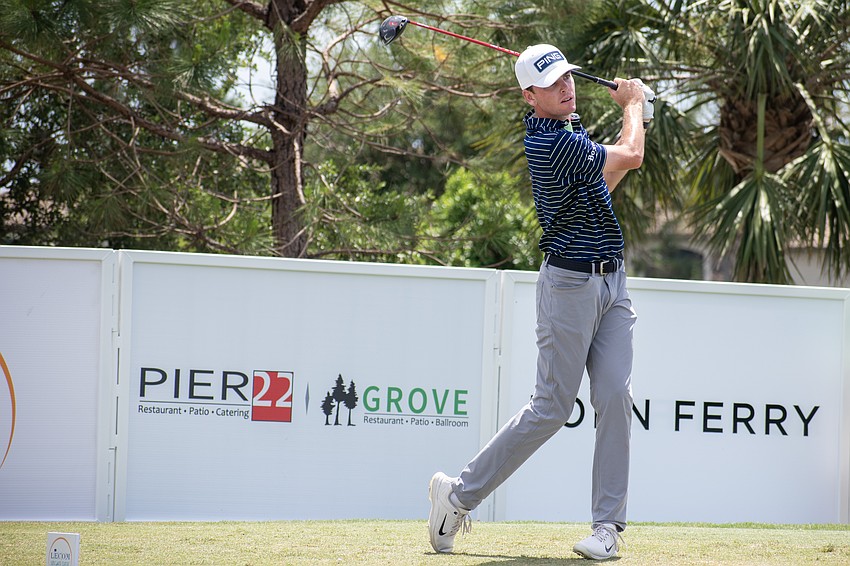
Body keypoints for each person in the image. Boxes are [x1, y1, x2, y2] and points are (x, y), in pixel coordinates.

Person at [427, 44, 653, 561]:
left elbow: (607, 180)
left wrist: (631, 118)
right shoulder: (549, 143)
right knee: (551, 409)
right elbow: (634, 156)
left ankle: (607, 529)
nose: (566, 88)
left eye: (568, 78)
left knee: (616, 396)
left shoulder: (571, 132)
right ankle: (457, 496)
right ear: (529, 96)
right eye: (552, 85)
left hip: (613, 283)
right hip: (569, 288)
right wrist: (634, 105)